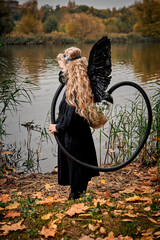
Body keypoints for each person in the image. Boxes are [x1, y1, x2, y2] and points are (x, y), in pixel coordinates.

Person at [49, 46, 107, 200]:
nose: (60, 70)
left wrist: (57, 127)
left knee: (76, 169)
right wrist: (64, 71)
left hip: (73, 138)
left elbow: (69, 119)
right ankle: (78, 195)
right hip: (81, 135)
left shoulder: (75, 89)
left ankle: (75, 198)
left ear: (71, 67)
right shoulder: (80, 82)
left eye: (62, 67)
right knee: (80, 168)